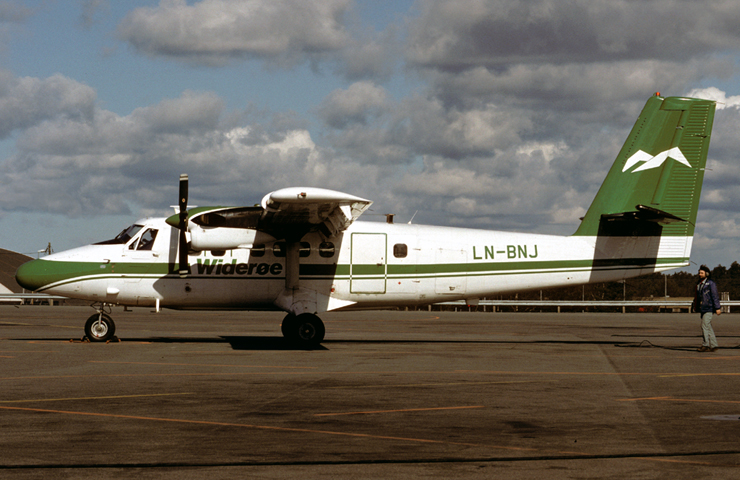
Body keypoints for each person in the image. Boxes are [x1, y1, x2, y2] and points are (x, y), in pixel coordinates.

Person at [693, 265, 721, 352]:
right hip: (703, 308)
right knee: (708, 326)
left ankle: (705, 345)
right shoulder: (699, 284)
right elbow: (697, 296)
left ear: (707, 274)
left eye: (701, 273)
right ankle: (714, 345)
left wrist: (717, 307)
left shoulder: (711, 283)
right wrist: (695, 306)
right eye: (699, 273)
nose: (699, 274)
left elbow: (715, 296)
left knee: (704, 325)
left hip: (709, 307)